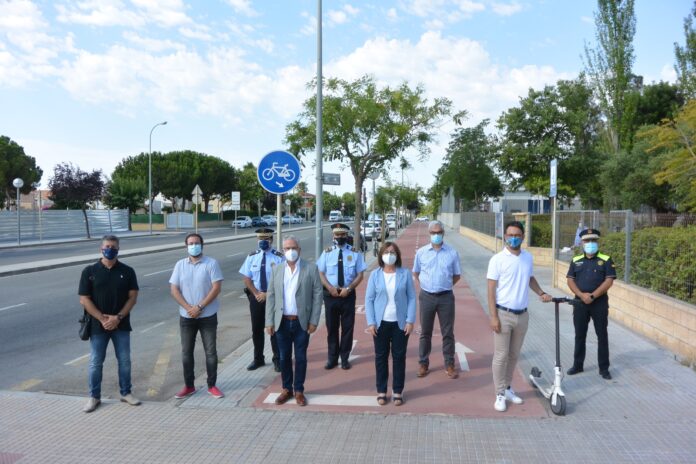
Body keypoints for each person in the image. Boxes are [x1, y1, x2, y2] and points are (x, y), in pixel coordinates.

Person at [487, 221, 552, 412]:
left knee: (514, 355)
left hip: (522, 315)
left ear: (523, 237)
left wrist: (541, 293)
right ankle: (499, 393)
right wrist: (493, 317)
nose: (513, 238)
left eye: (517, 235)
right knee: (501, 356)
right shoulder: (497, 259)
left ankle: (507, 388)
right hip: (503, 314)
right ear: (504, 236)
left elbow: (529, 278)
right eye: (509, 235)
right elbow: (491, 289)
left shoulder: (527, 258)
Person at [78, 235, 140, 413]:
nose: (110, 249)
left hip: (121, 324)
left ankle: (126, 393)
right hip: (98, 326)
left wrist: (117, 318)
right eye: (107, 246)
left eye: (113, 246)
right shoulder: (89, 271)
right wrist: (103, 319)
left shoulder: (127, 271)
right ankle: (94, 397)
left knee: (125, 361)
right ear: (101, 248)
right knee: (96, 362)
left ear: (118, 249)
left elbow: (133, 298)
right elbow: (84, 299)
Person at [265, 236, 323, 406]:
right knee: (283, 358)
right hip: (281, 322)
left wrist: (314, 321)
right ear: (283, 251)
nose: (290, 251)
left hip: (301, 322)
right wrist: (269, 321)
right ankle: (286, 389)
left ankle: (299, 390)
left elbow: (318, 295)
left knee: (300, 358)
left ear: (299, 250)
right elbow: (271, 296)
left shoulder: (311, 268)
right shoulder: (276, 269)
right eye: (287, 248)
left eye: (293, 248)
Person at [169, 233, 225, 399]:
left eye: (197, 243)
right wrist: (188, 308)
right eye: (191, 243)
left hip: (207, 315)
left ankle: (212, 385)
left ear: (202, 244)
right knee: (186, 352)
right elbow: (174, 289)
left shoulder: (211, 263)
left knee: (210, 352)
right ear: (186, 246)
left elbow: (216, 288)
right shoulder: (180, 265)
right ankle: (189, 386)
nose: (194, 246)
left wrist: (199, 306)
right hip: (186, 317)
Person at [365, 242, 416, 406]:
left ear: (398, 255)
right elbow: (369, 299)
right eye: (386, 252)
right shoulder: (375, 275)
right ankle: (381, 390)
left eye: (393, 252)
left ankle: (397, 391)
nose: (389, 255)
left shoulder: (405, 274)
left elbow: (412, 298)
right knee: (380, 358)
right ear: (381, 255)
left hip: (400, 324)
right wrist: (371, 322)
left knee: (399, 358)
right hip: (380, 324)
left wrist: (410, 320)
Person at [412, 220, 462, 379]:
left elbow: (457, 275)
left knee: (448, 332)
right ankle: (423, 363)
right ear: (429, 234)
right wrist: (428, 286)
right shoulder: (421, 253)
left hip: (446, 297)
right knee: (425, 332)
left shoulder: (452, 253)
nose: (436, 235)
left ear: (443, 233)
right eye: (433, 233)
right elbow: (416, 273)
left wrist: (444, 285)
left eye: (439, 232)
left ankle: (449, 363)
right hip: (426, 296)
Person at [566, 228, 616, 380]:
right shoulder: (576, 260)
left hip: (599, 302)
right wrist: (581, 295)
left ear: (597, 241)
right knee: (579, 335)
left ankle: (604, 368)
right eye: (587, 240)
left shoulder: (606, 259)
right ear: (582, 242)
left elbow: (609, 280)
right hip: (580, 302)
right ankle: (578, 365)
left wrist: (593, 296)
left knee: (602, 335)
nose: (590, 243)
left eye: (593, 240)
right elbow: (570, 280)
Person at [317, 223, 367, 370]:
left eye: (343, 235)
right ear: (333, 236)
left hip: (348, 295)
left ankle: (344, 358)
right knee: (332, 328)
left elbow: (360, 274)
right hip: (330, 295)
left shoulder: (355, 253)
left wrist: (349, 288)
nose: (340, 237)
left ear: (347, 235)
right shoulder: (326, 253)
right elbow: (321, 273)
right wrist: (330, 288)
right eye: (337, 235)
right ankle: (332, 358)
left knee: (347, 328)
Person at [239, 228, 285, 372]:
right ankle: (258, 359)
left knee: (275, 329)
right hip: (256, 298)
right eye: (260, 239)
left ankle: (277, 359)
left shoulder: (279, 257)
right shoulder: (252, 256)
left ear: (271, 240)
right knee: (257, 329)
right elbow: (247, 278)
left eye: (265, 239)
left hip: (274, 297)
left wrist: (268, 294)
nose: (262, 241)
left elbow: (283, 279)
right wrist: (256, 293)